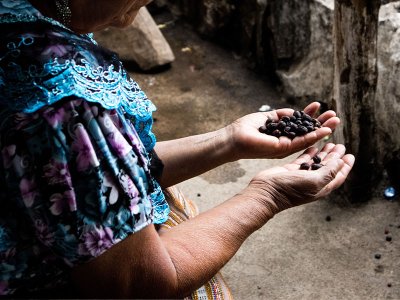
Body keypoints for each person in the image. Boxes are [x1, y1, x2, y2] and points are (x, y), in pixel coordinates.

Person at [0, 0, 355, 298]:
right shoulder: (64, 102)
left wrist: (228, 140)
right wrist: (268, 195)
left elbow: (100, 175)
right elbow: (140, 283)